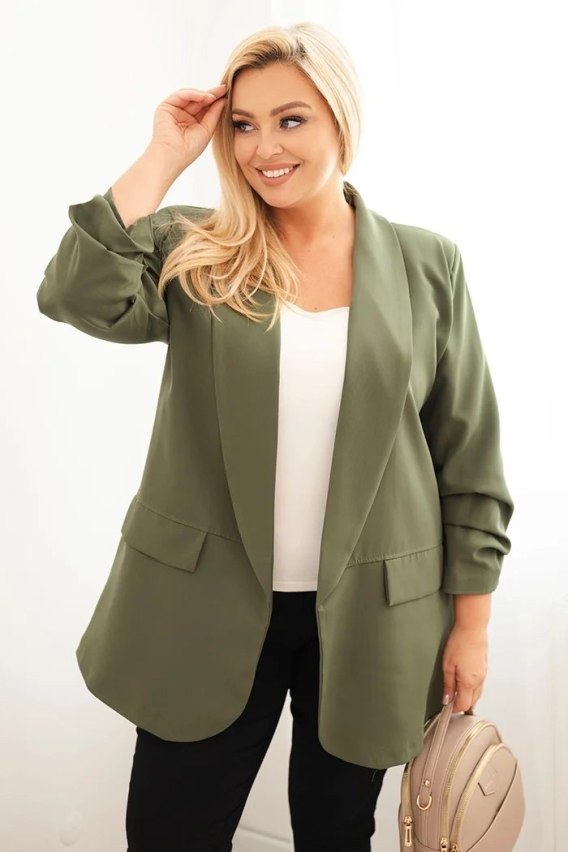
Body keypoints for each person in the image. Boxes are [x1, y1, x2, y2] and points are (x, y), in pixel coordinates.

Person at [36, 20, 514, 852]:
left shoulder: (426, 265)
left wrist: (471, 627)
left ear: (340, 119)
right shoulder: (197, 248)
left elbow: (467, 454)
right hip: (205, 602)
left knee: (338, 833)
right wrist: (164, 155)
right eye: (244, 125)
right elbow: (75, 295)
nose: (264, 148)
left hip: (372, 614)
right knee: (170, 832)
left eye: (291, 119)